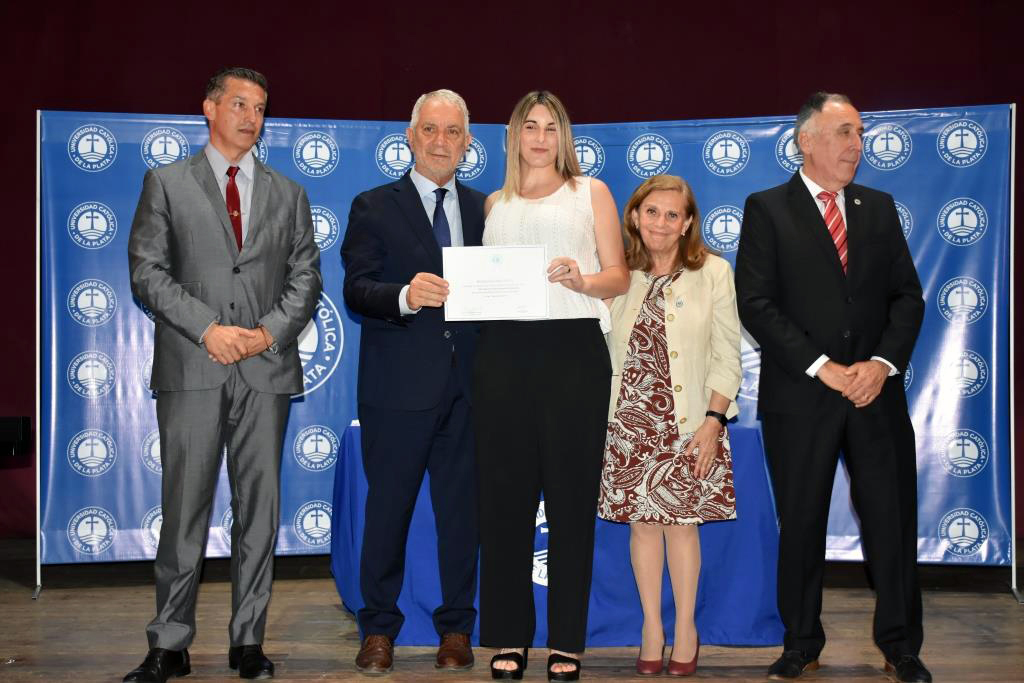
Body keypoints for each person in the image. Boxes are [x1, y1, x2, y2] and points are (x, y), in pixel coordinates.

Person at [125, 67, 322, 682]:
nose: (250, 117)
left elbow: (306, 277)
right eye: (239, 104)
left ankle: (248, 643)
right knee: (184, 507)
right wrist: (208, 328)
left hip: (265, 369)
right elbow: (147, 272)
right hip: (194, 364)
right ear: (208, 108)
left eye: (260, 107)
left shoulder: (288, 194)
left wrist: (265, 334)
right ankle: (169, 644)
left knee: (259, 514)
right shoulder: (166, 183)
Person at [734, 92, 929, 683]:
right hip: (804, 395)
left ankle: (901, 646)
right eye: (844, 133)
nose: (856, 145)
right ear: (806, 140)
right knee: (802, 521)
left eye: (861, 134)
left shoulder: (879, 206)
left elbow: (908, 298)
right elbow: (757, 303)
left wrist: (880, 364)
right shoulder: (768, 208)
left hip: (875, 394)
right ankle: (801, 642)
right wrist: (823, 365)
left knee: (891, 522)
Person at [475, 90, 629, 682]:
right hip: (502, 356)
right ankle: (509, 636)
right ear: (513, 136)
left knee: (570, 505)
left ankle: (567, 639)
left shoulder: (589, 193)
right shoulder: (494, 203)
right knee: (505, 504)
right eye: (529, 127)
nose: (540, 138)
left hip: (572, 354)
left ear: (563, 137)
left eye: (550, 127)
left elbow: (618, 275)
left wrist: (583, 279)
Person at [341, 89, 485, 675]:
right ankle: (378, 630)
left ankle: (456, 629)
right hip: (397, 390)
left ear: (468, 143)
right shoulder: (374, 205)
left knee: (461, 517)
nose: (441, 141)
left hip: (472, 389)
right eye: (431, 129)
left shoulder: (487, 209)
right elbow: (356, 288)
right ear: (411, 135)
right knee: (388, 513)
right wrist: (402, 296)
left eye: (453, 132)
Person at [597, 175, 741, 677]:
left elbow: (728, 353)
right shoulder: (618, 276)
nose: (661, 222)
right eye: (651, 211)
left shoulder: (715, 273)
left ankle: (685, 631)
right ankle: (651, 628)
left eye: (672, 214)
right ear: (634, 216)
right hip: (627, 423)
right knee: (641, 527)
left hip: (688, 422)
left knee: (681, 529)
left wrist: (714, 420)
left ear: (688, 224)